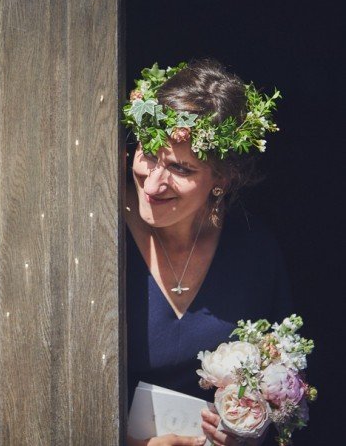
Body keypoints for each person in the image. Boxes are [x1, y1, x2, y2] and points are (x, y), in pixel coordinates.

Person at [122, 60, 293, 446]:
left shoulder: (254, 253)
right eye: (148, 153)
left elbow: (283, 387)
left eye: (180, 169)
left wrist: (244, 433)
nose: (152, 183)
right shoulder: (101, 235)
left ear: (222, 179)